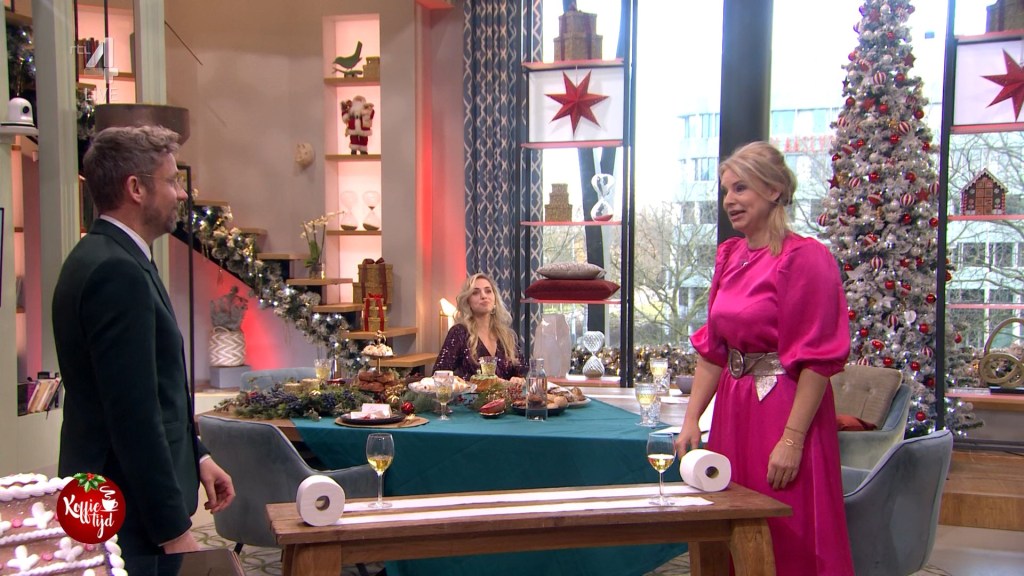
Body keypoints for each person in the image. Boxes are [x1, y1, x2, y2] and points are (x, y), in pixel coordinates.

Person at [53, 125, 235, 575]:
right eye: (171, 181)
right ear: (135, 188)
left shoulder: (111, 256)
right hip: (126, 513)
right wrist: (174, 531)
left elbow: (154, 390)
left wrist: (197, 455)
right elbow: (132, 415)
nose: (181, 194)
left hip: (119, 501)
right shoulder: (115, 271)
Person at [675, 141, 854, 575]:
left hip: (784, 409)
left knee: (784, 526)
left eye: (741, 188)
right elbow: (714, 351)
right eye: (725, 190)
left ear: (774, 190)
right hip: (734, 409)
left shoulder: (806, 258)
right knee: (732, 521)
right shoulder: (729, 255)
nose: (729, 200)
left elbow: (817, 360)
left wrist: (792, 440)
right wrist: (691, 419)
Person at [435, 273, 527, 384]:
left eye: (488, 291)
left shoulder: (508, 336)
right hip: (472, 395)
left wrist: (520, 379)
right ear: (468, 301)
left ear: (495, 299)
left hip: (507, 395)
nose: (483, 296)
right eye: (475, 293)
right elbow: (439, 375)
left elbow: (524, 373)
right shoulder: (459, 332)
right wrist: (478, 382)